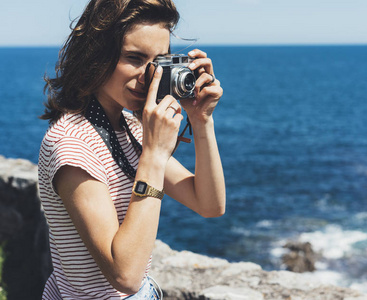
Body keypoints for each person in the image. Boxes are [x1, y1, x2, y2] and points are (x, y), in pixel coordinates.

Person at [38, 0, 226, 299]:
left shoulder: (129, 127)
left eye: (158, 62)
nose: (148, 75)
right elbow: (125, 275)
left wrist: (201, 120)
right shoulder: (71, 144)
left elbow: (209, 205)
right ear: (96, 55)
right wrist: (153, 154)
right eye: (134, 58)